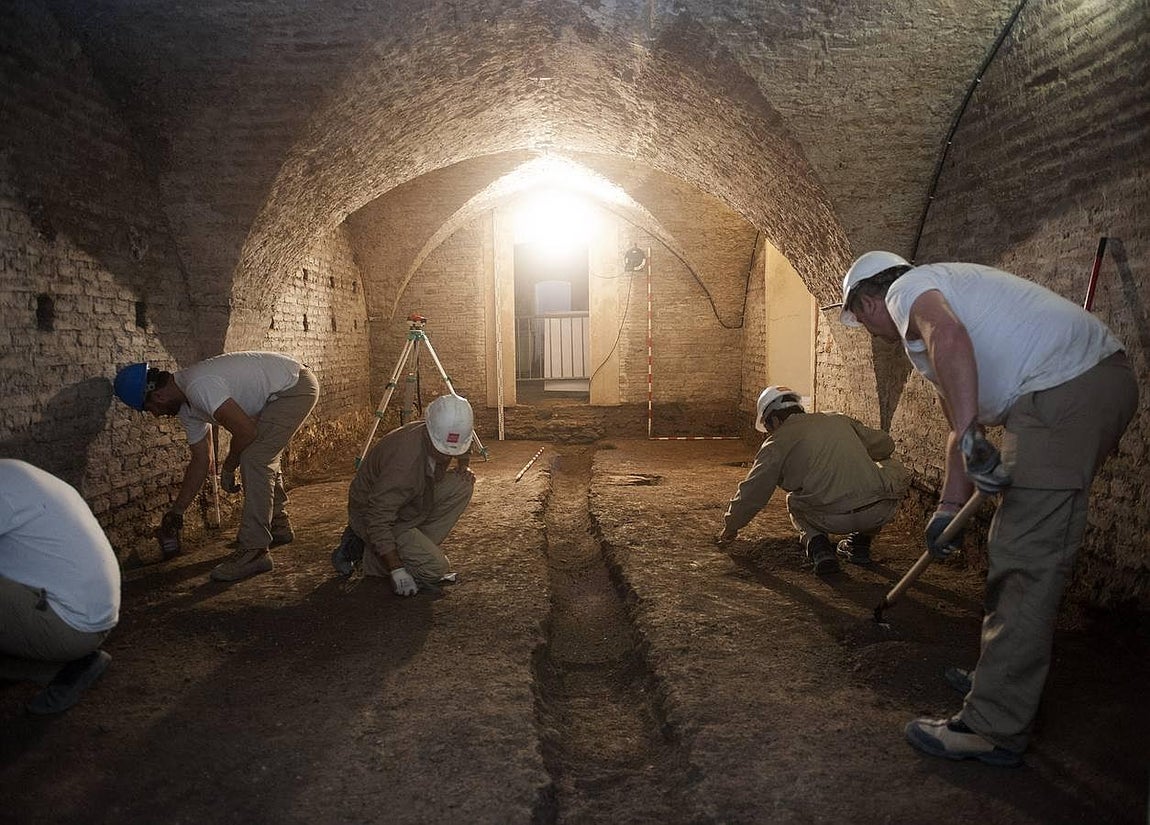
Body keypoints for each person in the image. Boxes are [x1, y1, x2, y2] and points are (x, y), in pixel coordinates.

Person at [840, 250, 1138, 766]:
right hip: (1079, 386)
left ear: (868, 302)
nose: (868, 329)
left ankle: (993, 725)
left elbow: (950, 337)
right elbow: (959, 421)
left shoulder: (908, 291)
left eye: (860, 320)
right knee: (1025, 546)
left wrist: (973, 436)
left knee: (1022, 559)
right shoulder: (939, 316)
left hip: (1062, 391)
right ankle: (1001, 679)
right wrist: (948, 506)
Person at [113, 352, 319, 582]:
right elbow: (201, 461)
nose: (155, 414)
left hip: (293, 388)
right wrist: (177, 511)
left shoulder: (198, 387)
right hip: (278, 394)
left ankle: (255, 551)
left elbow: (246, 432)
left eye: (149, 408)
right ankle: (277, 523)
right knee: (260, 453)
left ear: (158, 395)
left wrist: (229, 466)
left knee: (254, 458)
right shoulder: (187, 408)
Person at [716, 386, 909, 575]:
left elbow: (753, 491)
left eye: (767, 426)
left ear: (774, 419)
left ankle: (820, 550)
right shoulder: (837, 419)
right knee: (887, 466)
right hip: (878, 510)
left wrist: (731, 526)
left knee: (794, 502)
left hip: (831, 519)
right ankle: (859, 546)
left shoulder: (775, 443)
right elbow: (885, 445)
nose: (768, 432)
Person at [0, 460, 120, 715]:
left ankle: (60, 667)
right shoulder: (13, 472)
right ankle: (63, 669)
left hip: (68, 624)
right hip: (93, 618)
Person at [331, 393, 476, 596]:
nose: (447, 456)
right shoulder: (404, 465)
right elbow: (378, 517)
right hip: (372, 513)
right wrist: (397, 570)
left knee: (462, 483)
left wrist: (463, 465)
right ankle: (364, 552)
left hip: (411, 498)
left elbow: (463, 444)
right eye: (443, 450)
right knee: (434, 569)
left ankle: (406, 548)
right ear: (429, 430)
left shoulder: (445, 429)